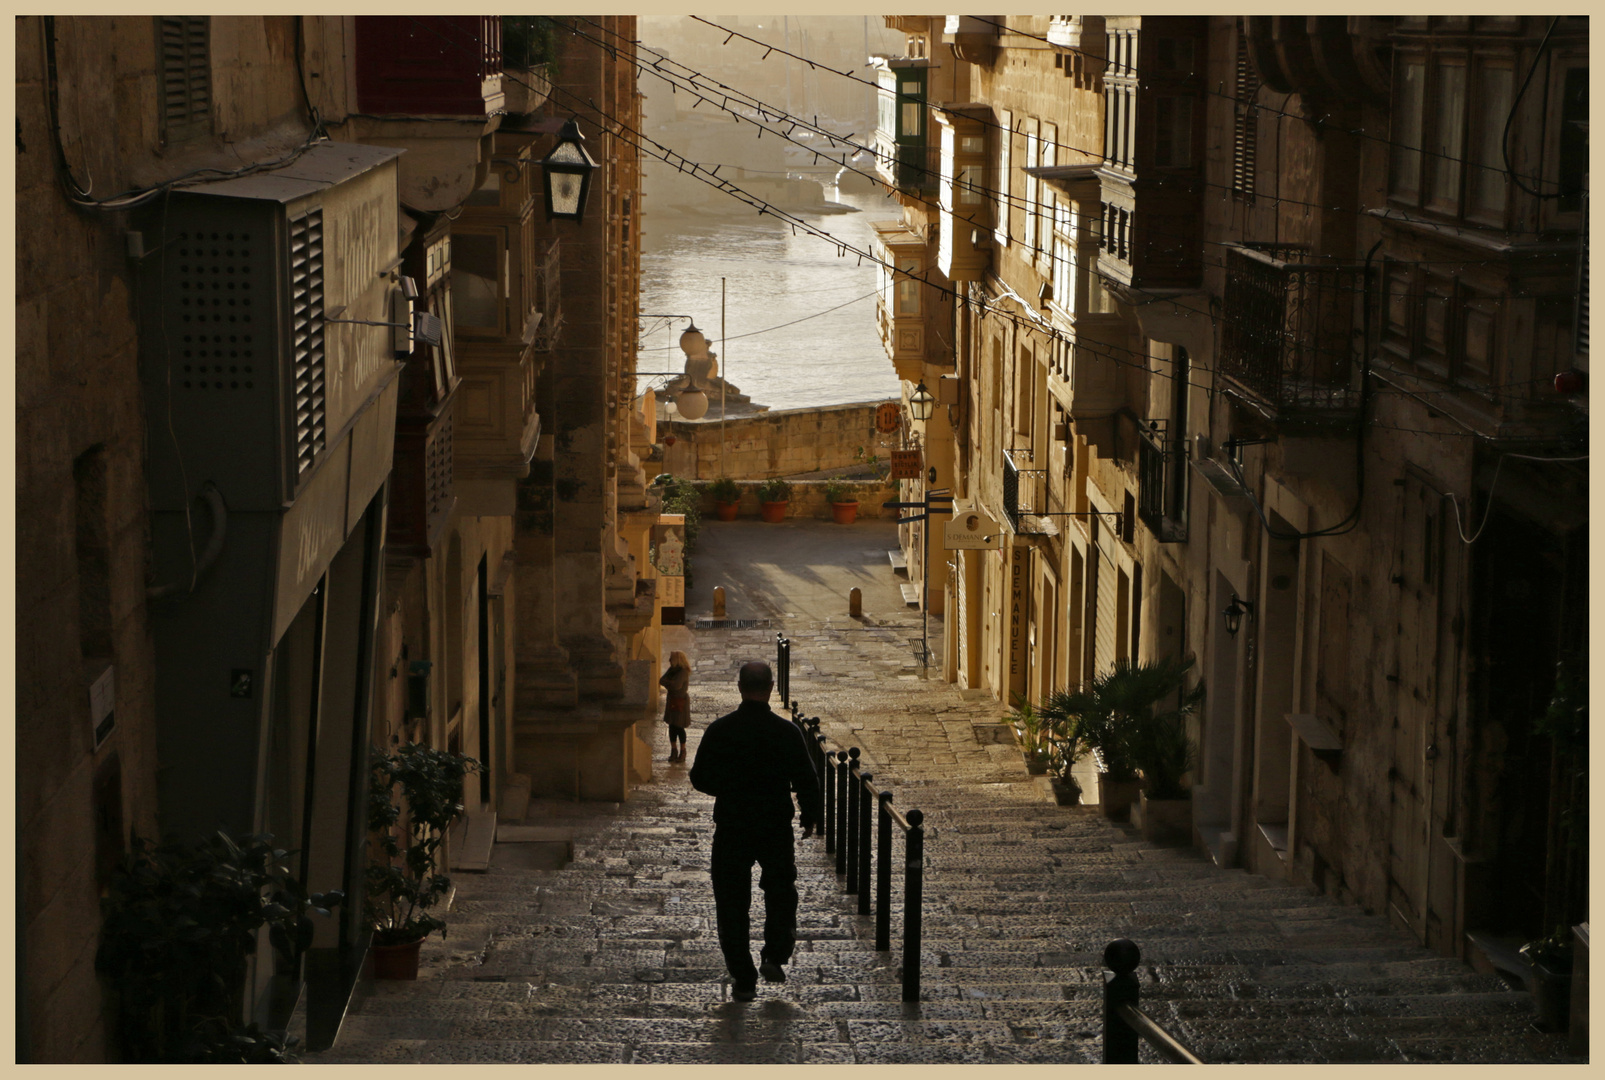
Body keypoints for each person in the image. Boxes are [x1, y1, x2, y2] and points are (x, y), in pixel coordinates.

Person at [689, 661, 822, 1002]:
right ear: (771, 687)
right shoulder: (786, 733)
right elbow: (807, 779)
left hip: (733, 823)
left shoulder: (721, 730)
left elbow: (699, 777)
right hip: (774, 824)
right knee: (780, 889)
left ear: (739, 687)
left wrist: (730, 787)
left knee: (731, 900)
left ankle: (743, 976)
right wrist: (809, 816)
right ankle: (775, 955)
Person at [658, 651, 693, 762]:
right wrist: (670, 682)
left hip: (680, 701)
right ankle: (674, 750)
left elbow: (677, 686)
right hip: (671, 700)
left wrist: (669, 683)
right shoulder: (671, 670)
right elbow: (661, 680)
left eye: (671, 658)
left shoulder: (682, 672)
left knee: (679, 726)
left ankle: (683, 751)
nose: (669, 660)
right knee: (672, 726)